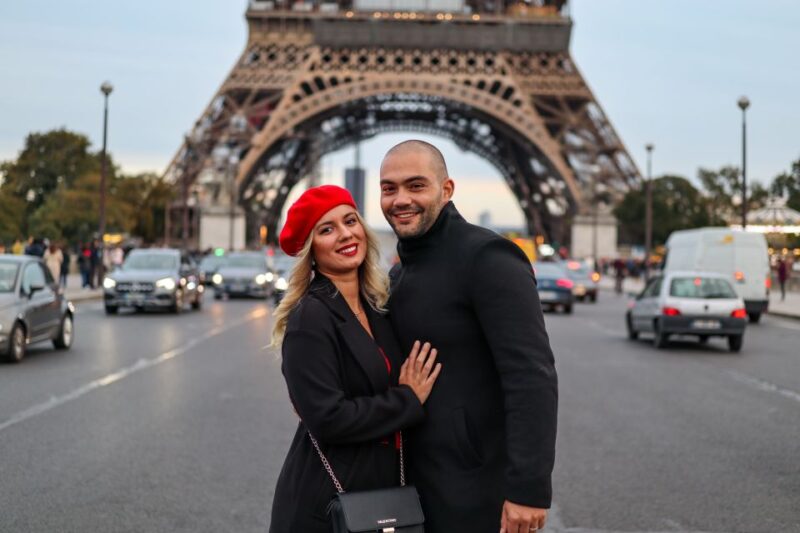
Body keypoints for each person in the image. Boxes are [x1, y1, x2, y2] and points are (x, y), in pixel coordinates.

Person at [379, 140, 558, 533]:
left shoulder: (488, 258)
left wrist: (528, 488)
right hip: (415, 482)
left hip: (474, 488)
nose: (400, 199)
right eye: (389, 188)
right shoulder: (400, 272)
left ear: (447, 190)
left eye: (416, 185)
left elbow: (530, 375)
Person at [269, 185, 442, 533]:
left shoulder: (376, 307)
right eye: (327, 229)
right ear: (310, 252)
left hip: (380, 493)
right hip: (327, 503)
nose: (345, 234)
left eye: (350, 221)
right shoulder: (310, 318)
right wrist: (407, 399)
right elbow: (329, 419)